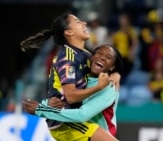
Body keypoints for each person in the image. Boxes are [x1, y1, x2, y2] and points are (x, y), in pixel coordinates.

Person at [20, 13, 120, 141]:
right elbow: (71, 96)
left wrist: (116, 74)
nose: (84, 23)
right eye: (78, 22)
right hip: (64, 123)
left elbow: (103, 67)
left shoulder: (85, 54)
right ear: (69, 32)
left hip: (71, 117)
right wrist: (99, 87)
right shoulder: (67, 58)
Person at [23, 44, 122, 137]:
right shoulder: (81, 79)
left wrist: (41, 109)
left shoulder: (110, 87)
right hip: (80, 135)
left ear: (112, 67)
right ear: (92, 57)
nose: (103, 57)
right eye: (99, 53)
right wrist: (46, 104)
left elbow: (82, 115)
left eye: (108, 57)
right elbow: (61, 99)